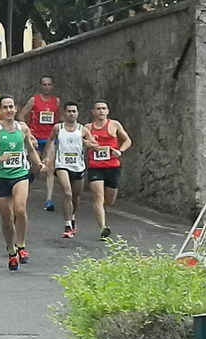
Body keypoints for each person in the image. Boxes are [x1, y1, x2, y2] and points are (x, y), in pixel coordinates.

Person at [0, 95, 46, 271]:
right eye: (5, 107)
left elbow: (30, 149)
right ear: (0, 111)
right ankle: (11, 250)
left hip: (20, 174)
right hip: (1, 178)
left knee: (20, 209)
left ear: (16, 109)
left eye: (11, 107)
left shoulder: (22, 128)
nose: (9, 110)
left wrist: (38, 163)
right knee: (7, 219)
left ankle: (22, 246)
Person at [45, 101, 97, 238]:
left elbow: (95, 146)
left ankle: (72, 217)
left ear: (78, 113)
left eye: (74, 111)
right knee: (67, 193)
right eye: (69, 111)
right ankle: (67, 225)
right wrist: (48, 157)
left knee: (75, 197)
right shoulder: (58, 128)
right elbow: (50, 141)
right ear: (64, 113)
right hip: (62, 165)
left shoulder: (83, 130)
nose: (71, 114)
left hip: (78, 166)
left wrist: (89, 144)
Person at [85, 100, 132, 240]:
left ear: (108, 111)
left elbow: (128, 140)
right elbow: (78, 139)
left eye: (103, 108)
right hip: (95, 167)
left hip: (113, 166)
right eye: (98, 108)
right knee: (98, 198)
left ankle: (100, 212)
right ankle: (103, 228)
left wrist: (120, 151)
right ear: (93, 112)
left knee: (109, 200)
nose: (101, 111)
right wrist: (86, 143)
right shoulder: (88, 127)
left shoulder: (114, 124)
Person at [18, 75, 61, 211]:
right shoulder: (34, 100)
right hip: (35, 138)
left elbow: (58, 118)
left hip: (50, 138)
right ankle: (28, 178)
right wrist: (28, 133)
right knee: (36, 167)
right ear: (41, 86)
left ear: (52, 86)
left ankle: (48, 200)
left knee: (50, 168)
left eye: (49, 84)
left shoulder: (56, 101)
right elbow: (21, 115)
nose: (47, 87)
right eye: (44, 84)